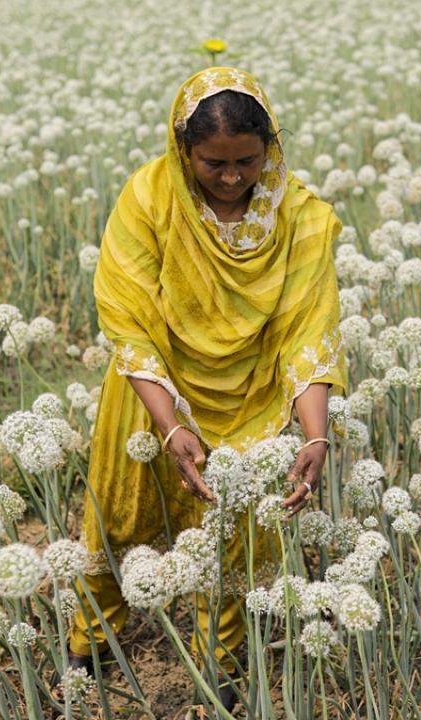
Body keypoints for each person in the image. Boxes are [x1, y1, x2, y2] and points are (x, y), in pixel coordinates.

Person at [67, 67, 347, 712]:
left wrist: (314, 433)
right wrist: (170, 425)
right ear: (181, 151)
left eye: (246, 162)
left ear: (270, 147)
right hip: (149, 390)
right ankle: (88, 642)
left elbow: (309, 331)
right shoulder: (149, 198)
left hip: (250, 398)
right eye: (211, 164)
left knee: (232, 529)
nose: (230, 178)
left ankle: (216, 662)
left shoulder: (299, 217)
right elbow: (126, 315)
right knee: (118, 516)